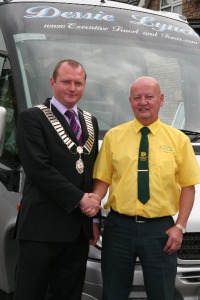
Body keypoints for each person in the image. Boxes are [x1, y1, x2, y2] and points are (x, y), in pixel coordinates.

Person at [91, 76, 200, 300]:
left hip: (160, 231)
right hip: (118, 228)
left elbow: (188, 187)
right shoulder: (113, 137)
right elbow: (102, 181)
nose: (143, 102)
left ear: (161, 100)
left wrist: (179, 226)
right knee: (112, 293)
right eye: (137, 97)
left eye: (149, 97)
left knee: (161, 293)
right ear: (130, 102)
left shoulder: (178, 140)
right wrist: (93, 210)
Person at [14, 59, 101, 300]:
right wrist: (79, 199)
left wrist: (94, 219)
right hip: (41, 228)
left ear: (84, 85)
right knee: (30, 294)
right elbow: (39, 169)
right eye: (66, 82)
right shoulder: (32, 118)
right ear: (53, 82)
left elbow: (91, 173)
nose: (72, 88)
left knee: (68, 295)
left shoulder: (90, 122)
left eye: (78, 83)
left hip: (78, 230)